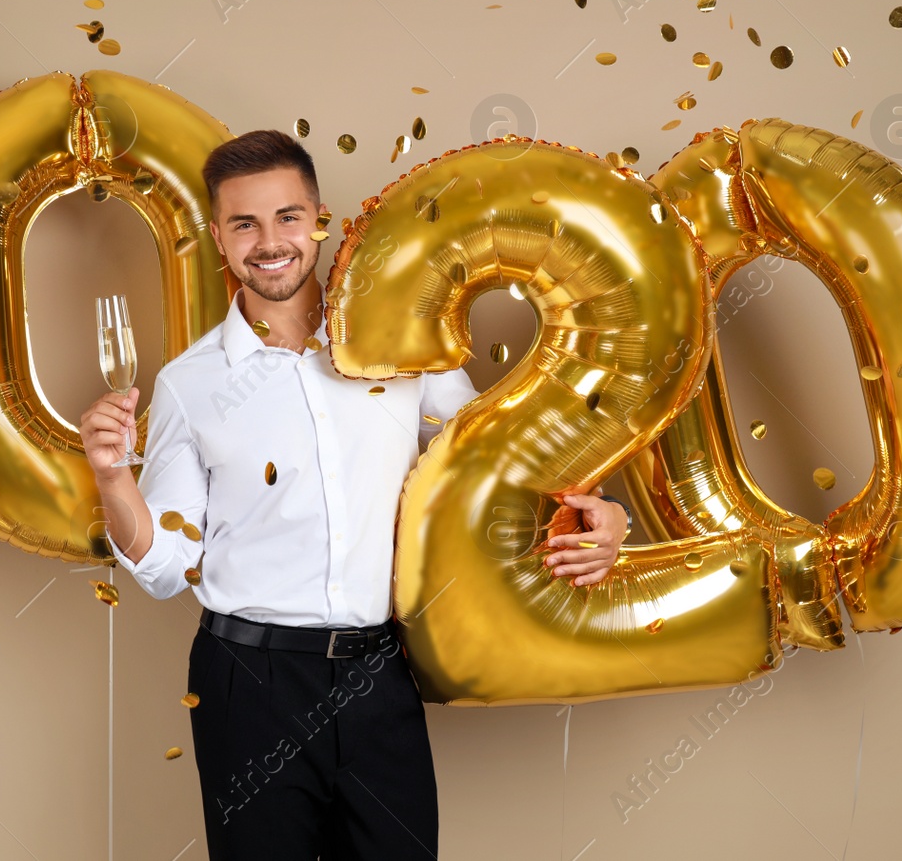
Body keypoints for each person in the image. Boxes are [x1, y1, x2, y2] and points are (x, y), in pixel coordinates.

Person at [79, 129, 630, 860]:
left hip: (379, 672)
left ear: (320, 219)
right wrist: (113, 478)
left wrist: (603, 512)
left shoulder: (407, 352)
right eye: (244, 223)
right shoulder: (190, 384)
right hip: (248, 682)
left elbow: (487, 470)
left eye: (287, 217)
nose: (269, 241)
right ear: (218, 234)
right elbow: (162, 564)